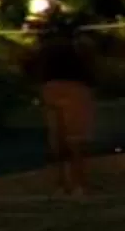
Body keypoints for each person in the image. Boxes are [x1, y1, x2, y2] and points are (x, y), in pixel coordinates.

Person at [30, 19, 98, 195]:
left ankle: (62, 184)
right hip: (75, 88)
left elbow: (34, 68)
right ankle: (78, 184)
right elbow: (91, 64)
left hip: (51, 88)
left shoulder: (45, 48)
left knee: (58, 139)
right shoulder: (78, 46)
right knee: (75, 140)